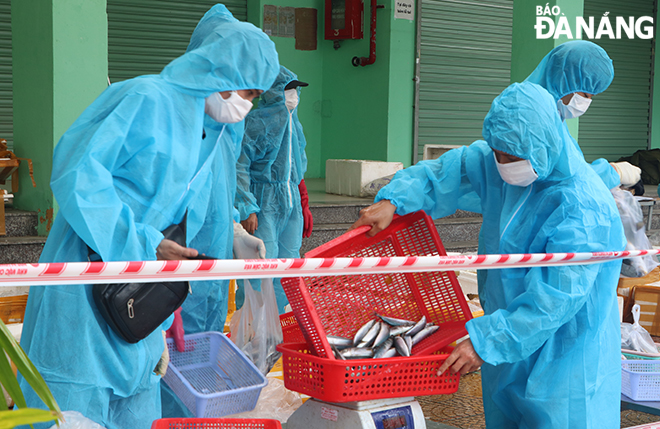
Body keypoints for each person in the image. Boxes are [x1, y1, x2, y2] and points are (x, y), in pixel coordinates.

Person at [18, 5, 279, 429]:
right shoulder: (144, 98)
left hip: (139, 296)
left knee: (138, 407)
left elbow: (193, 209)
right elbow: (77, 172)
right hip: (86, 288)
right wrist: (141, 243)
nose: (246, 105)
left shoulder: (206, 129)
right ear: (221, 72)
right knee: (69, 406)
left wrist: (222, 233)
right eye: (247, 93)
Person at [350, 82, 625, 427]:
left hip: (565, 353)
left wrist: (488, 341)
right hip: (507, 340)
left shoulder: (582, 207)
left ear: (544, 146)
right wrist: (394, 200)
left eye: (513, 158)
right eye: (499, 153)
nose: (504, 165)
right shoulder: (498, 161)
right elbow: (448, 171)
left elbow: (555, 298)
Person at [235, 66, 313, 313]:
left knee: (289, 267)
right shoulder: (254, 123)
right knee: (260, 268)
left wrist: (303, 201)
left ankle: (282, 325)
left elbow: (296, 168)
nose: (294, 95)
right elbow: (240, 167)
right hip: (263, 203)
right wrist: (247, 207)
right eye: (289, 90)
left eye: (296, 90)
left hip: (289, 205)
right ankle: (253, 329)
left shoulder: (294, 125)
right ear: (272, 91)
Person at [525, 40, 641, 190]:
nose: (587, 102)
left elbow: (570, 164)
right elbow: (561, 179)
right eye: (585, 95)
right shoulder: (533, 115)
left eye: (592, 97)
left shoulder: (554, 115)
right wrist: (612, 173)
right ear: (564, 79)